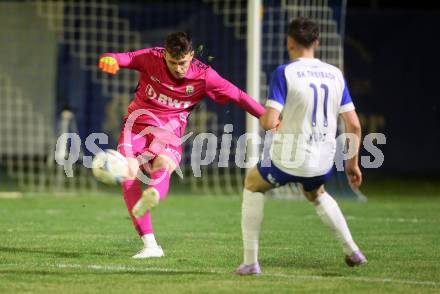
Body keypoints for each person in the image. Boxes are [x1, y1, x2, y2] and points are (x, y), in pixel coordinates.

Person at [98, 32, 265, 258]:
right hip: (136, 126)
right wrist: (108, 59)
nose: (178, 68)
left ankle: (153, 194)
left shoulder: (205, 76)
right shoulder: (150, 57)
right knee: (129, 173)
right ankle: (150, 245)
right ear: (165, 55)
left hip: (168, 133)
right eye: (173, 62)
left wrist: (264, 115)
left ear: (192, 56)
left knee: (163, 165)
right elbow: (122, 58)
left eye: (183, 63)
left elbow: (237, 95)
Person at [234, 17, 367, 275]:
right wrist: (353, 163)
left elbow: (269, 122)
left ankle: (250, 263)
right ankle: (353, 251)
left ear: (289, 42)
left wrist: (265, 116)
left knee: (252, 183)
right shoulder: (335, 74)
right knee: (315, 193)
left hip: (291, 158)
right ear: (316, 42)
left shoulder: (285, 72)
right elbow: (354, 126)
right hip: (323, 160)